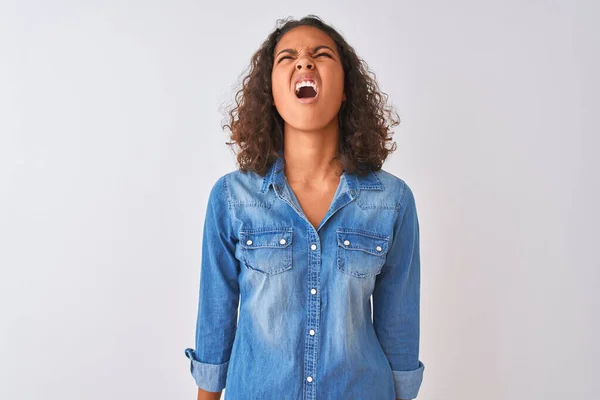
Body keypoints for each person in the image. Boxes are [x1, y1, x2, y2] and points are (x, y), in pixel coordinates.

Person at [184, 15, 425, 400]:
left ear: (346, 89)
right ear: (272, 93)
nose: (304, 62)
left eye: (320, 54)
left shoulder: (392, 201)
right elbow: (215, 322)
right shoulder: (232, 198)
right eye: (288, 57)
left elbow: (399, 327)